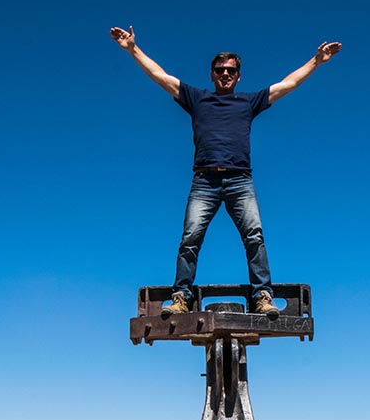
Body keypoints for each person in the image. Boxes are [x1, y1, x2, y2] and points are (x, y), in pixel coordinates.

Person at [108, 26, 342, 316]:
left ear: (238, 75)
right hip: (204, 180)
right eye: (220, 70)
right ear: (212, 74)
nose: (225, 74)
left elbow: (287, 84)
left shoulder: (249, 102)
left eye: (231, 70)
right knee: (190, 238)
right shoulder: (197, 99)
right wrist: (133, 49)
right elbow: (160, 76)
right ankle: (181, 297)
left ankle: (262, 297)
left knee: (254, 237)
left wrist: (316, 61)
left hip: (239, 180)